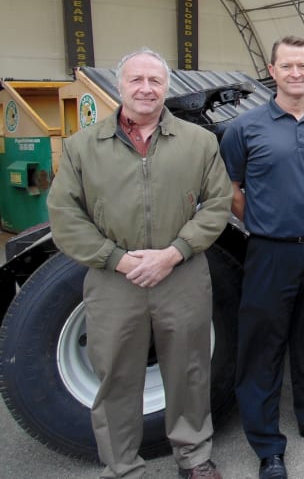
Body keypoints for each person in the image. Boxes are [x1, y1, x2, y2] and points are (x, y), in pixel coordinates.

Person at [47, 48, 232, 479]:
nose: (146, 88)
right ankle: (124, 467)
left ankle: (194, 457)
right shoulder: (81, 147)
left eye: (155, 80)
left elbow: (218, 204)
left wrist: (174, 253)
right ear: (120, 85)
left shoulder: (199, 142)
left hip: (181, 275)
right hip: (114, 281)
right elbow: (65, 217)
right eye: (136, 80)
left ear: (166, 87)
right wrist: (118, 260)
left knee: (189, 371)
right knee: (116, 378)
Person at [220, 36, 304, 479]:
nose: (296, 73)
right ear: (271, 72)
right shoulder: (244, 128)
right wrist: (260, 220)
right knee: (263, 347)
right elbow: (230, 189)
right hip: (268, 252)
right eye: (287, 66)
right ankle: (267, 445)